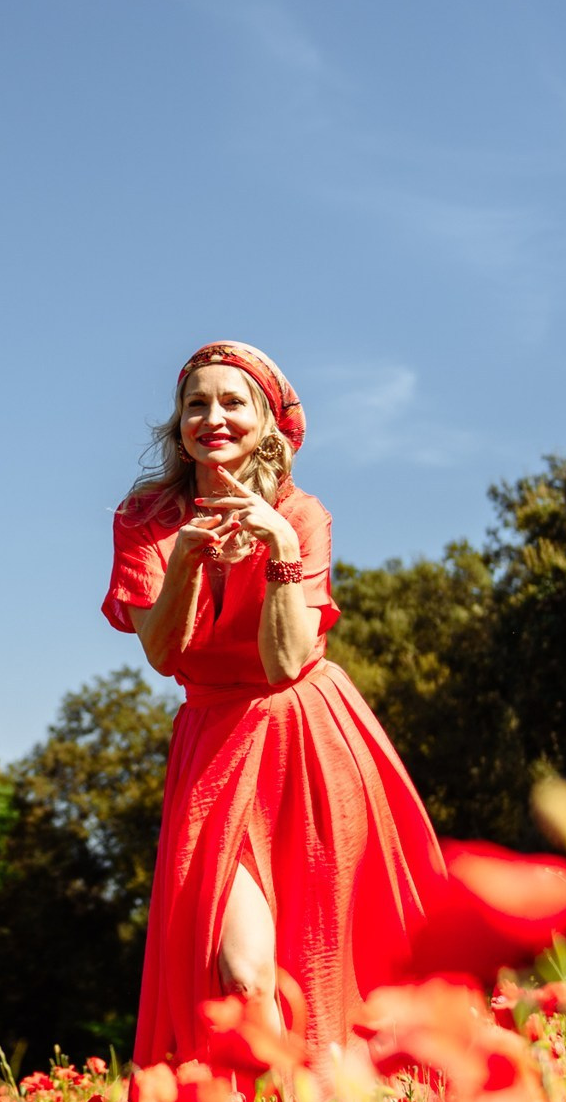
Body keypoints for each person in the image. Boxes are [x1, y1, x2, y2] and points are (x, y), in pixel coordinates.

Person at [103, 340, 444, 1064]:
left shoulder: (302, 512)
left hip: (309, 739)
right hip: (216, 747)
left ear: (268, 420)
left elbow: (286, 660)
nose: (212, 417)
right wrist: (189, 557)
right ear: (178, 422)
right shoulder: (146, 519)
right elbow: (164, 652)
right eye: (197, 403)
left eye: (233, 402)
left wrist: (280, 542)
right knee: (243, 974)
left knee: (328, 959)